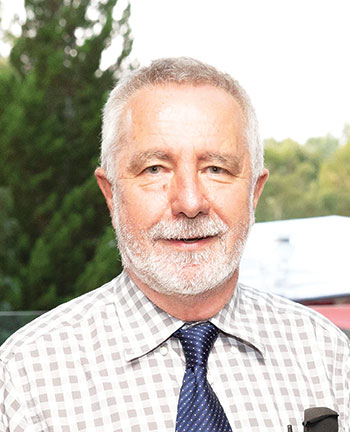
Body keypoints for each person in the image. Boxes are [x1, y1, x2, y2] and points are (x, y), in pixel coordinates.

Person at [0, 57, 349, 432]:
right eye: (155, 169)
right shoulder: (25, 378)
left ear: (255, 192)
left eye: (216, 168)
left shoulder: (326, 355)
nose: (190, 202)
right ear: (110, 194)